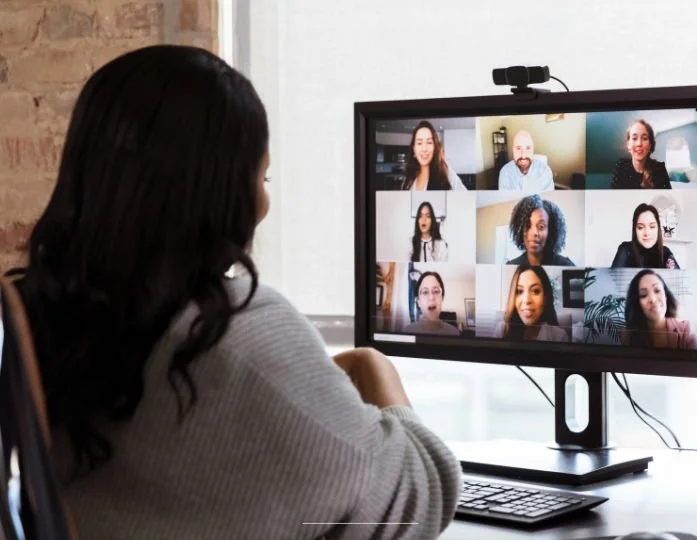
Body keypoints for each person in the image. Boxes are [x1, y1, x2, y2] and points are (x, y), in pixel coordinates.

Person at [10, 45, 461, 539]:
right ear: (219, 189)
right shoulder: (234, 333)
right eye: (261, 177)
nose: (265, 203)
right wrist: (375, 366)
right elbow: (421, 496)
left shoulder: (42, 317)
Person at [622, 269, 697, 349]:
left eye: (657, 290)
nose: (652, 299)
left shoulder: (686, 329)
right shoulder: (628, 335)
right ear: (637, 303)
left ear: (666, 296)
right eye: (643, 295)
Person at [494, 264, 568, 342]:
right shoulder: (502, 330)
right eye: (519, 291)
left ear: (545, 297)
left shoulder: (559, 336)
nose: (526, 300)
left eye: (535, 291)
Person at [506, 194, 575, 266]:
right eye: (527, 226)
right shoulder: (511, 266)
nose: (534, 233)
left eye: (541, 227)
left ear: (550, 231)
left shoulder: (566, 265)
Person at [400, 120, 467, 191]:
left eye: (429, 142)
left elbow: (467, 198)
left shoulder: (446, 173)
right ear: (414, 149)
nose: (424, 149)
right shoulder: (408, 178)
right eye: (419, 143)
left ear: (435, 147)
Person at [611, 203, 680, 269]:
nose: (646, 233)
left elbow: (678, 278)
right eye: (640, 227)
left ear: (658, 228)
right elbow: (613, 278)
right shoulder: (626, 249)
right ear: (634, 230)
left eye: (652, 227)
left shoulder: (665, 252)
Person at [611, 119, 672, 189]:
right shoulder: (621, 166)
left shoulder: (660, 169)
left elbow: (666, 198)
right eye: (634, 138)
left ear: (650, 145)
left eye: (644, 138)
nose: (639, 143)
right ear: (628, 144)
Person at [404, 271, 461, 336]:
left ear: (442, 298)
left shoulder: (454, 333)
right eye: (425, 292)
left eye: (436, 291)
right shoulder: (407, 331)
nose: (431, 297)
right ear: (418, 302)